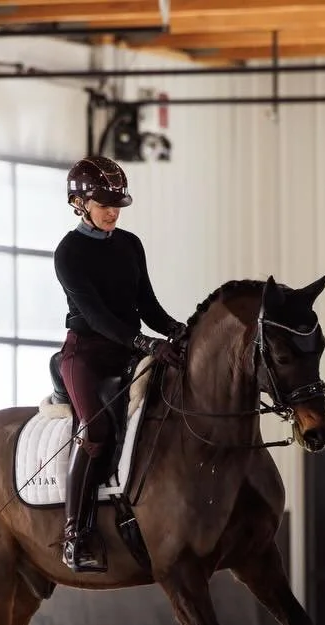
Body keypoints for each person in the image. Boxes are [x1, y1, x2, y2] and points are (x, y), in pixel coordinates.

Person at [53, 155, 186, 575]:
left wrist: (180, 331)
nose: (113, 212)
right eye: (104, 204)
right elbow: (96, 316)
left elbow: (147, 305)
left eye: (117, 205)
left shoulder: (130, 244)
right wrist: (145, 341)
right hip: (86, 351)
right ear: (80, 203)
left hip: (129, 348)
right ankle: (75, 535)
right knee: (96, 429)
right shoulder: (69, 253)